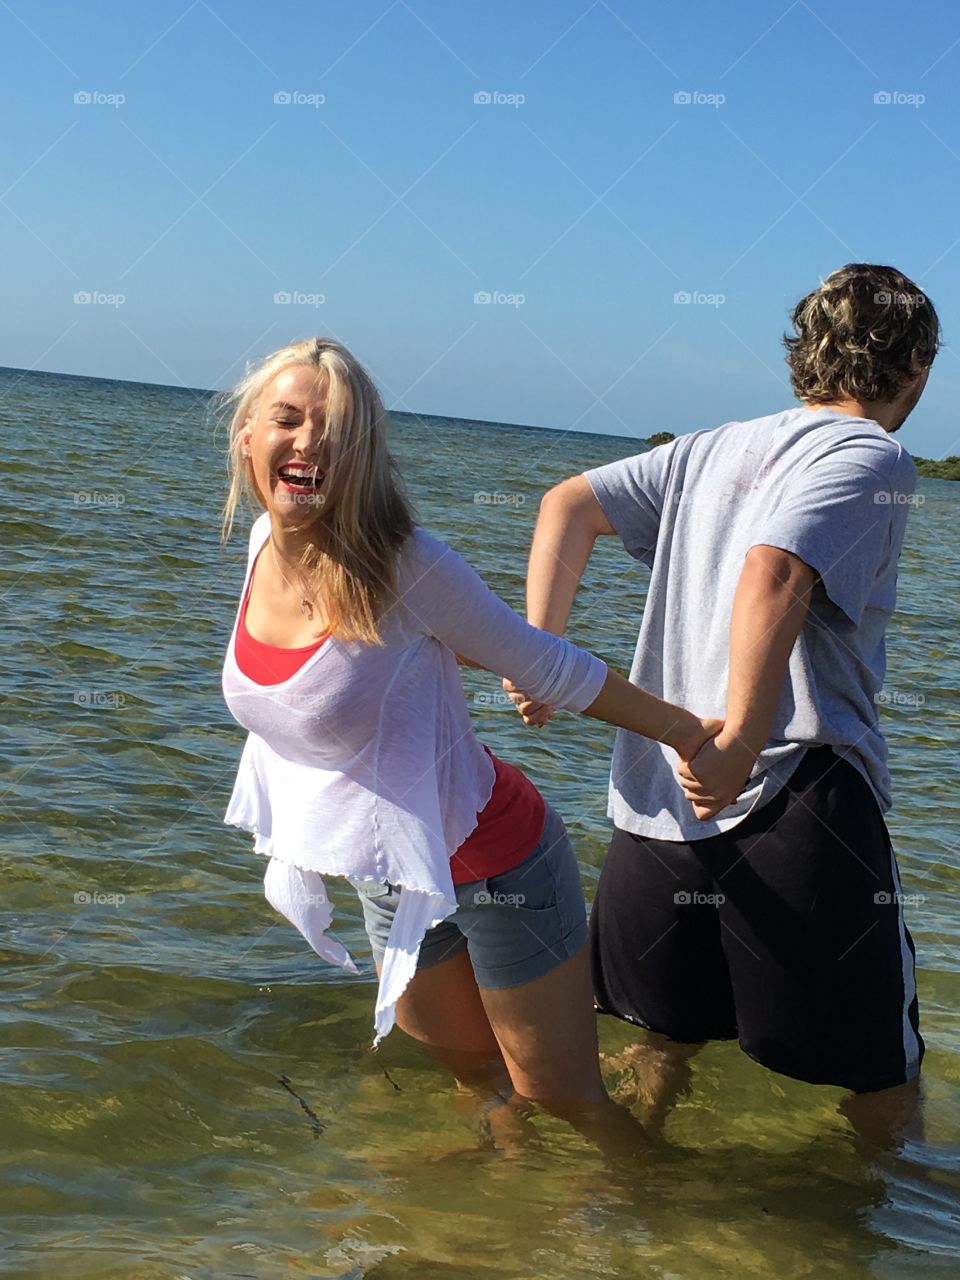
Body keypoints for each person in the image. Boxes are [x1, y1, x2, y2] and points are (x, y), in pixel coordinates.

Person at [217, 336, 719, 1148]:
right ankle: (489, 1214)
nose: (309, 442)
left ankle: (645, 1205)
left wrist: (686, 733)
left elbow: (544, 661)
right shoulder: (259, 550)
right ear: (248, 435)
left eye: (336, 431)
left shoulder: (406, 567)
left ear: (363, 458)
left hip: (501, 864)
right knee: (472, 1080)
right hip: (392, 873)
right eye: (288, 419)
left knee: (569, 1104)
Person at [507, 264, 939, 1133]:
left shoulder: (709, 448)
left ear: (806, 350)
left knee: (657, 1048)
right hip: (795, 798)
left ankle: (617, 1205)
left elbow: (566, 506)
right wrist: (741, 738)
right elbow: (774, 571)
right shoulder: (874, 454)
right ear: (916, 366)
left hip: (658, 807)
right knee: (881, 1079)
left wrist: (540, 656)